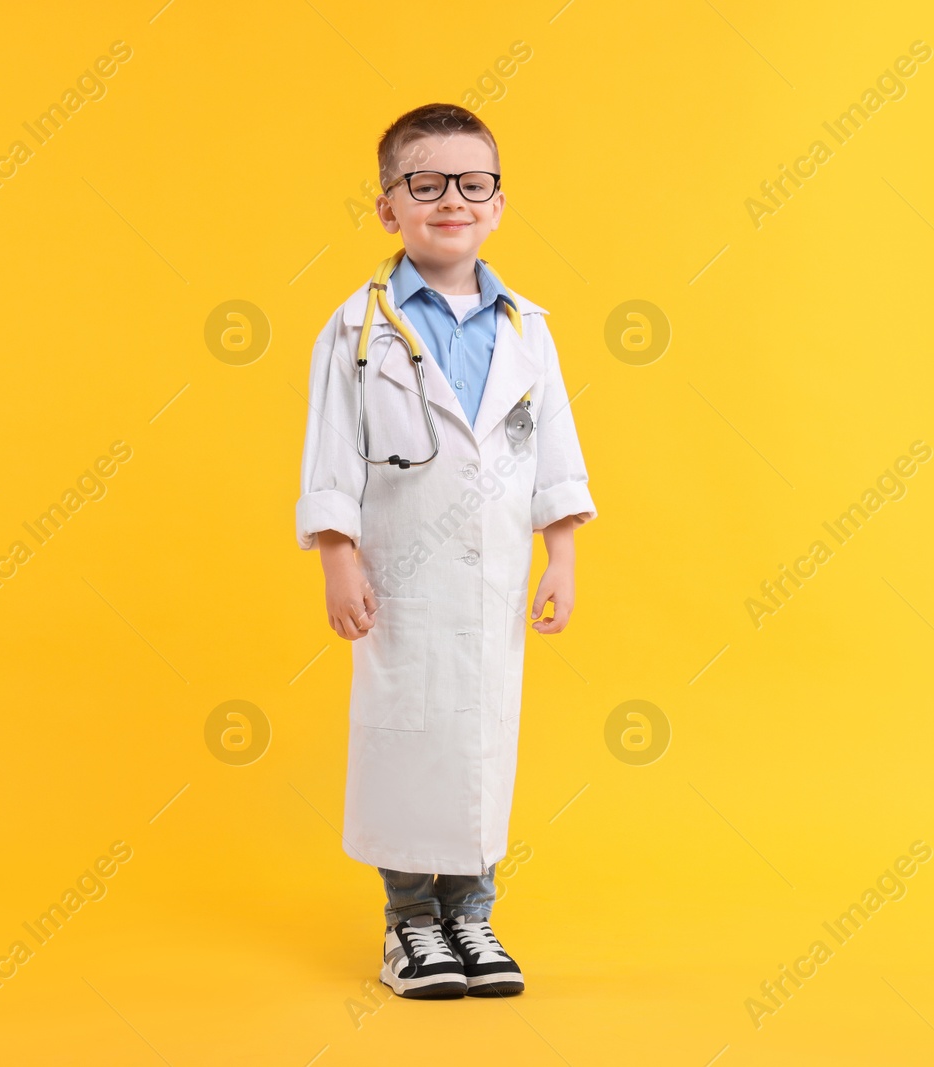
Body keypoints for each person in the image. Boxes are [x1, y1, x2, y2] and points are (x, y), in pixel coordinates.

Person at [295, 103, 596, 999]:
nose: (451, 201)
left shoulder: (527, 328)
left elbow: (557, 453)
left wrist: (563, 556)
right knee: (405, 747)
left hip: (496, 579)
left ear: (498, 204)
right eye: (425, 185)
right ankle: (409, 929)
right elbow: (329, 452)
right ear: (390, 207)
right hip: (402, 578)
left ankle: (474, 916)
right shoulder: (354, 331)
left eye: (473, 184)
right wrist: (337, 557)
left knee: (479, 746)